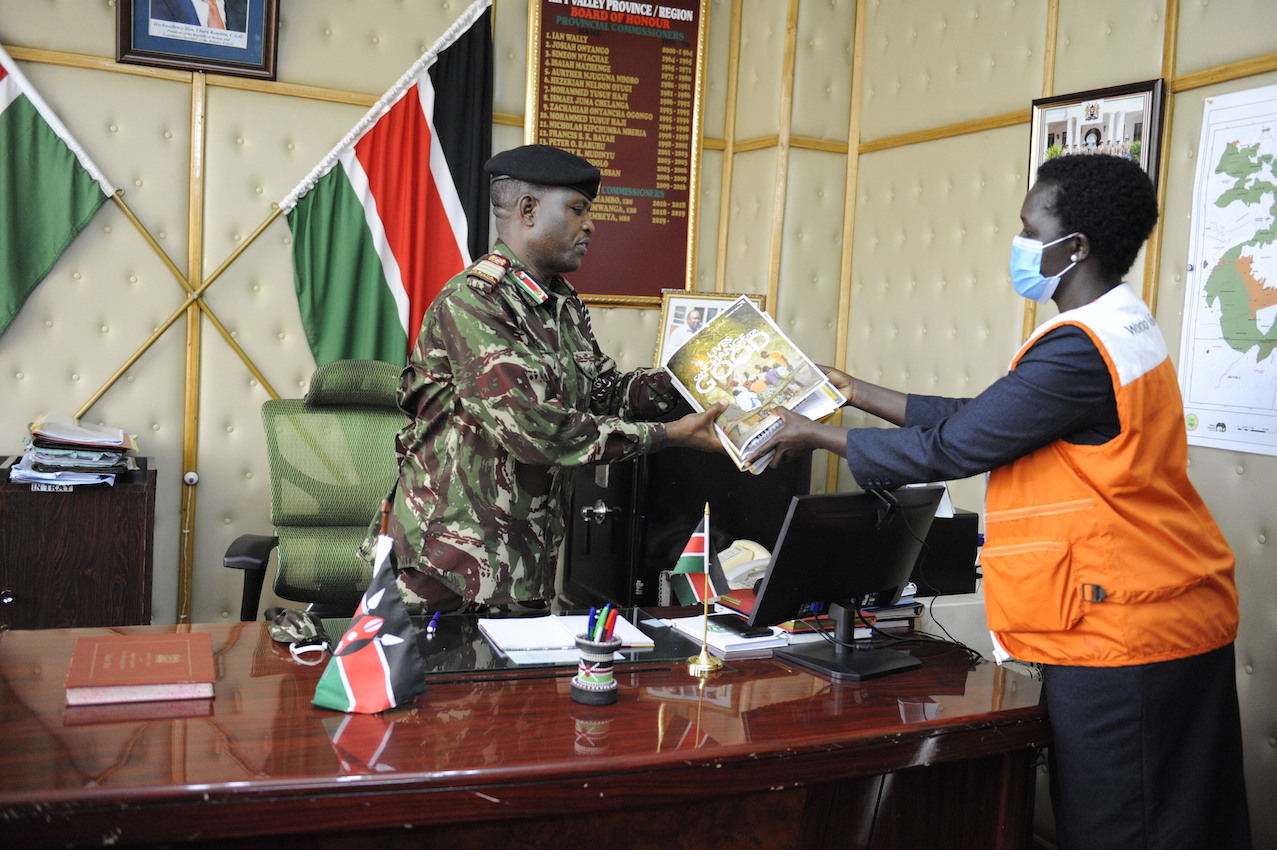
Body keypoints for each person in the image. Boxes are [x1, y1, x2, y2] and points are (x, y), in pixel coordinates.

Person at [757, 154, 1250, 849]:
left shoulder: (1083, 347)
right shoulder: (1117, 326)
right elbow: (988, 417)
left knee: (1122, 830)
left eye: (1027, 227)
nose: (1016, 242)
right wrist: (855, 390)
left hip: (1126, 633)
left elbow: (955, 447)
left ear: (1072, 247)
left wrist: (814, 434)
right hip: (1159, 611)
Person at [363, 144, 725, 616]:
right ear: (528, 210)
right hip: (445, 569)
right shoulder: (476, 303)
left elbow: (603, 393)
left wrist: (692, 371)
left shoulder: (561, 303)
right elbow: (535, 430)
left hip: (524, 567)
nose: (590, 224)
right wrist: (669, 436)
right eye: (577, 210)